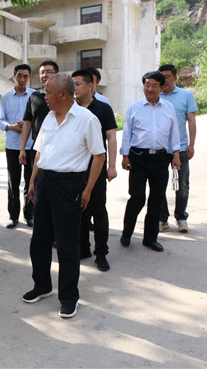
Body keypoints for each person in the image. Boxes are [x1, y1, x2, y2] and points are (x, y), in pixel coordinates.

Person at [24, 73, 105, 319]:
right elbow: (40, 151)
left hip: (70, 186)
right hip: (44, 183)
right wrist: (32, 180)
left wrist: (88, 189)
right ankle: (42, 285)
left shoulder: (87, 119)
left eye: (47, 92)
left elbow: (99, 155)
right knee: (39, 240)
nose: (44, 96)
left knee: (68, 244)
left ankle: (69, 297)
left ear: (62, 93)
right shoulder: (48, 117)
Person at [119, 71, 181, 252]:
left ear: (162, 88)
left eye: (154, 85)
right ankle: (127, 233)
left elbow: (174, 132)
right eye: (147, 85)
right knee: (137, 198)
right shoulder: (135, 107)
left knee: (156, 199)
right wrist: (125, 156)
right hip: (138, 158)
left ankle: (150, 238)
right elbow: (127, 132)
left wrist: (176, 155)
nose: (150, 89)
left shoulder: (168, 108)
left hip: (161, 159)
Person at [72, 70, 118, 271]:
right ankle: (83, 248)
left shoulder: (103, 108)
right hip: (75, 168)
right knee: (79, 210)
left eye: (78, 84)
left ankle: (101, 253)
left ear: (90, 86)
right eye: (72, 84)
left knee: (98, 210)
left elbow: (111, 137)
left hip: (96, 167)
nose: (74, 88)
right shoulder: (70, 109)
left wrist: (112, 166)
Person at [158, 64, 197, 233]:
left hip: (180, 148)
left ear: (175, 77)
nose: (164, 80)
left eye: (167, 76)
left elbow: (191, 120)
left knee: (182, 184)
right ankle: (162, 219)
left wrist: (191, 144)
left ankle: (181, 217)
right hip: (160, 149)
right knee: (158, 185)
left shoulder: (185, 95)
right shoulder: (155, 96)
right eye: (161, 77)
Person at [0, 64, 35, 229]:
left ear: (29, 78)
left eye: (25, 76)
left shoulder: (34, 96)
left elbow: (39, 118)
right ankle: (13, 216)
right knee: (13, 182)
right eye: (19, 75)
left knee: (30, 181)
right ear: (14, 77)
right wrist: (12, 126)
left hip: (31, 145)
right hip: (12, 146)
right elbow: (0, 120)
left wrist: (28, 126)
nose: (22, 79)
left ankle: (29, 215)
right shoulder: (6, 97)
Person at [19, 60, 58, 166]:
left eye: (49, 72)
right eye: (42, 72)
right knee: (36, 175)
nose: (45, 75)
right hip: (38, 147)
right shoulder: (34, 97)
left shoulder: (63, 96)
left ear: (56, 75)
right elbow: (27, 123)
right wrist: (22, 149)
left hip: (59, 146)